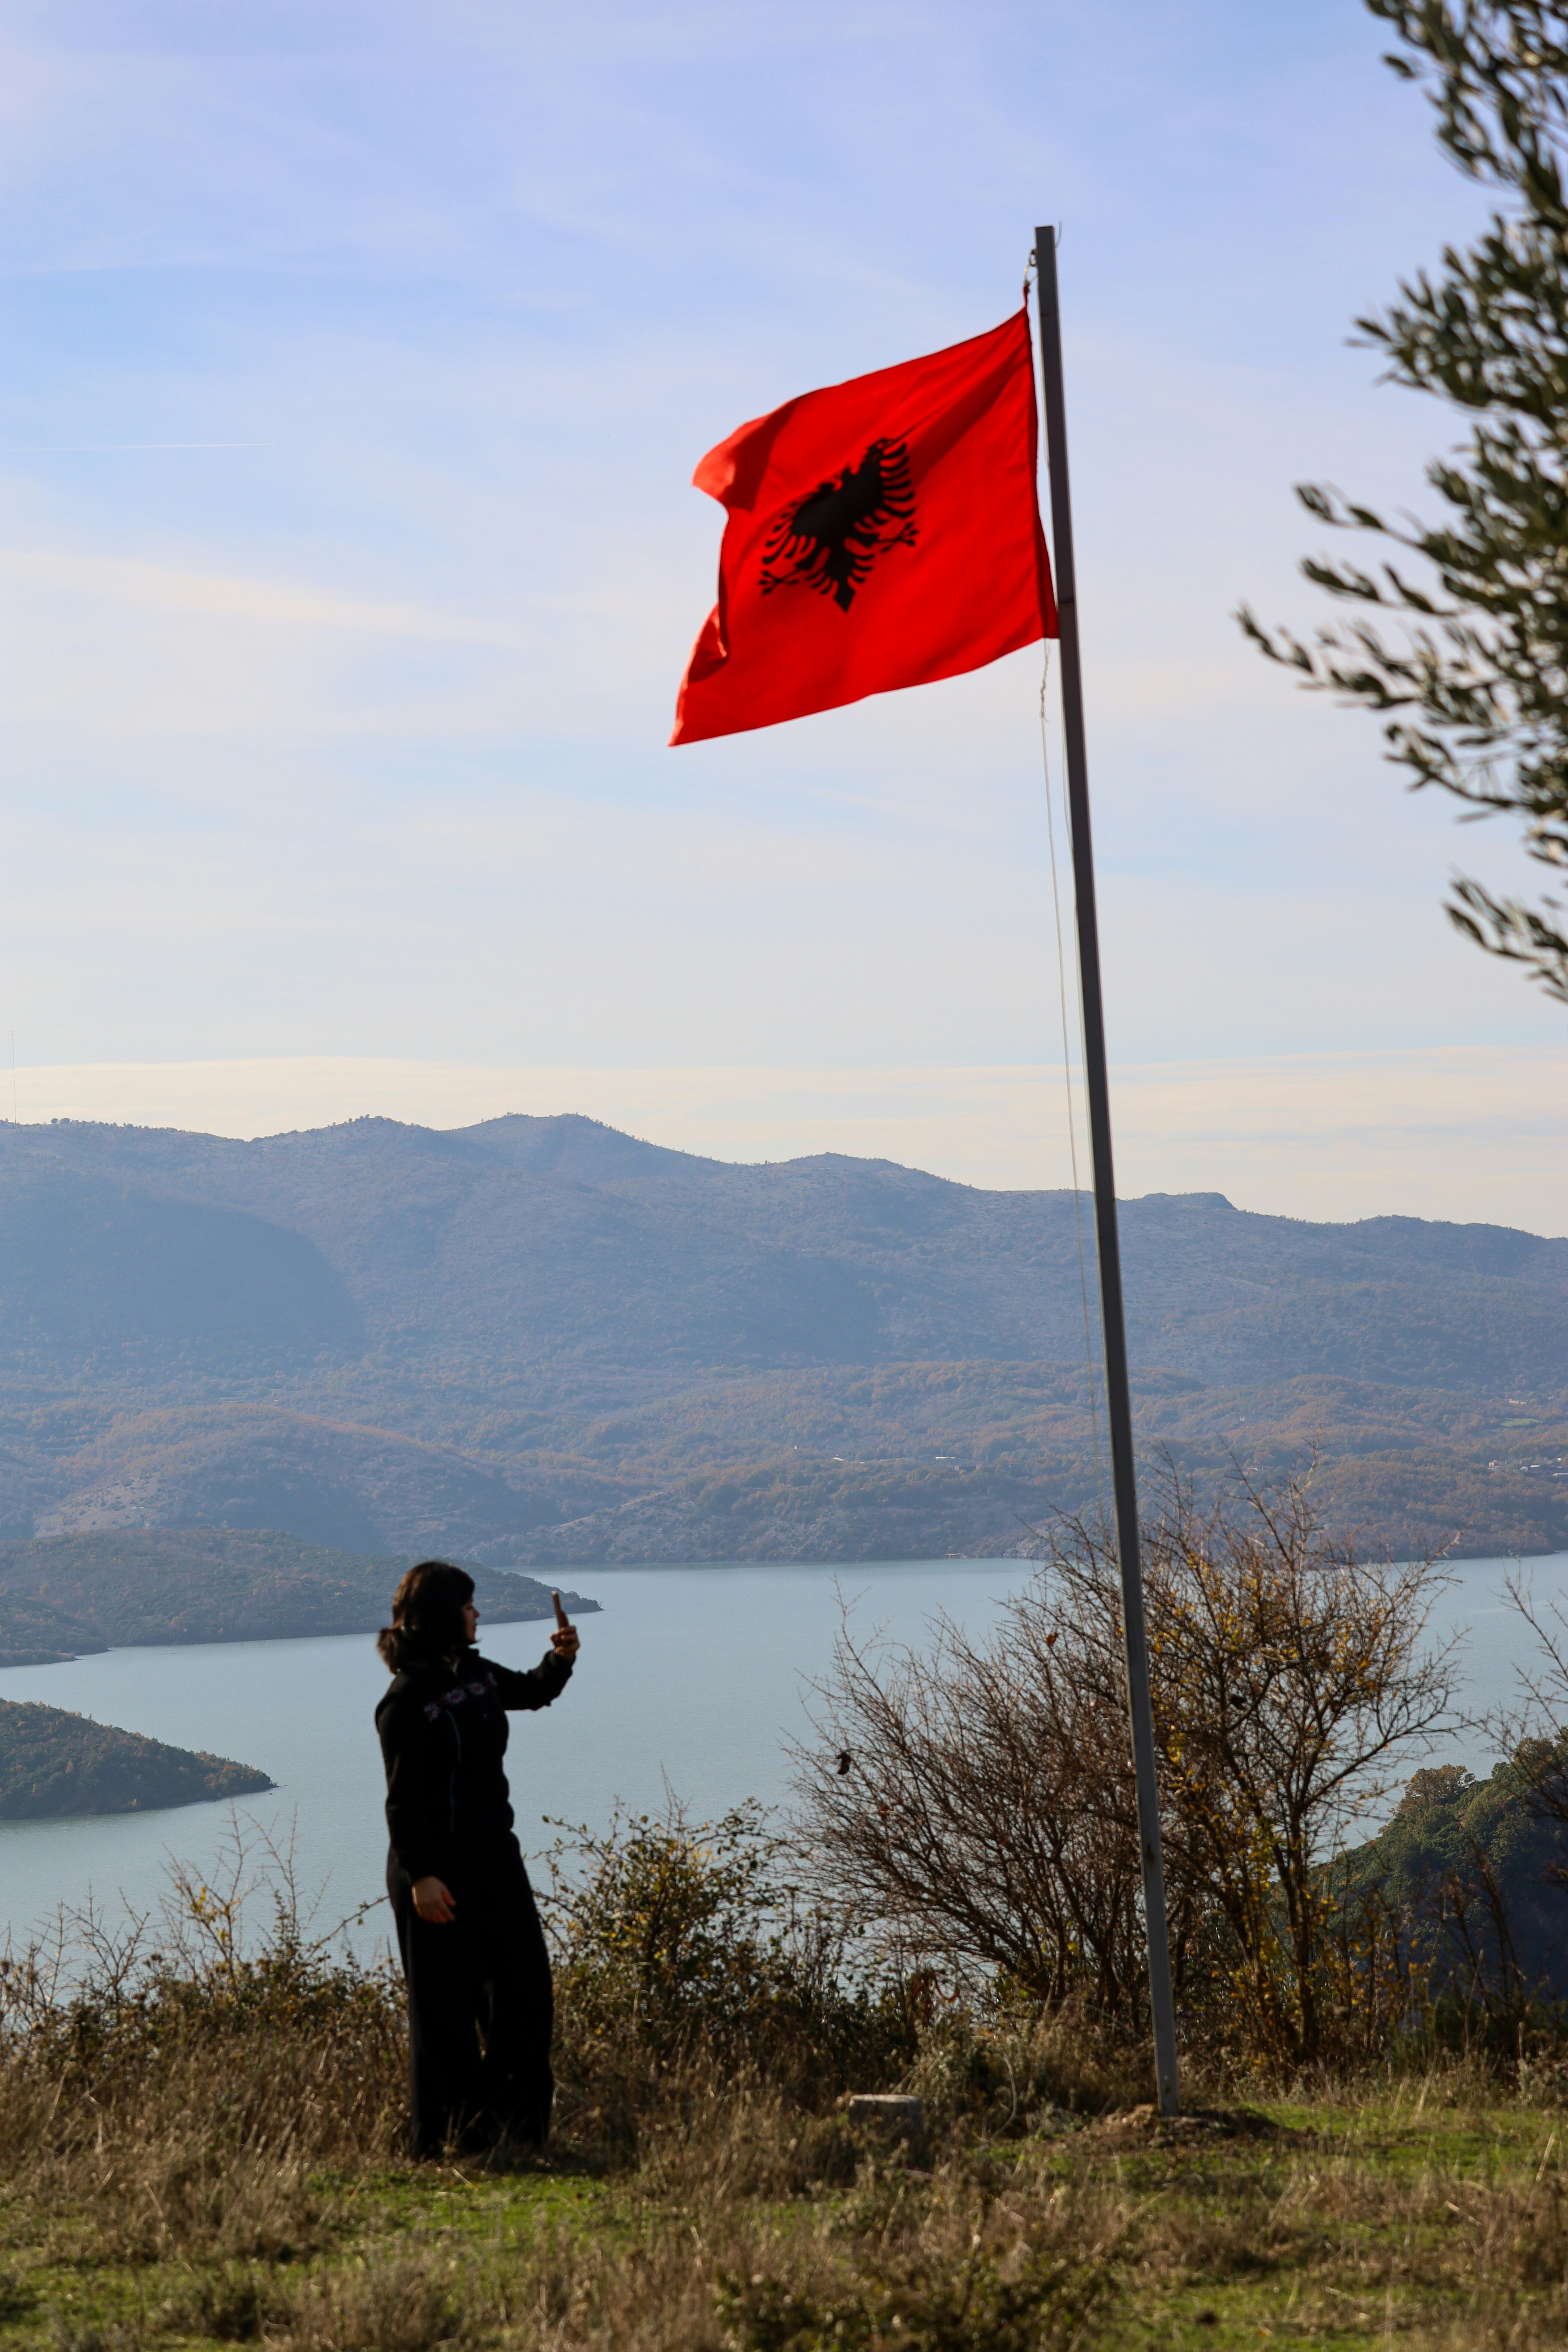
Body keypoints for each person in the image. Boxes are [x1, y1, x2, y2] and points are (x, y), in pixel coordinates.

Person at [375, 1559, 580, 2158]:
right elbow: (402, 1798)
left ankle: (515, 2136)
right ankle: (446, 2148)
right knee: (444, 2019)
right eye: (468, 1604)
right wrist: (422, 1875)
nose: (477, 1612)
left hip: (496, 1862)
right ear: (443, 1613)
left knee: (525, 1996)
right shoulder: (407, 1700)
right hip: (435, 1877)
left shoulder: (473, 1673)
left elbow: (531, 1691)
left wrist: (561, 1659)